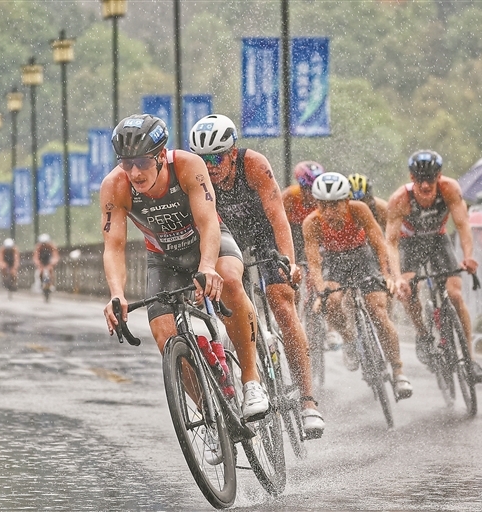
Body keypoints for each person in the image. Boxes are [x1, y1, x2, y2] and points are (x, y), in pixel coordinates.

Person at [101, 114, 270, 443]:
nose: (135, 172)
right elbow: (114, 246)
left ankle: (252, 382)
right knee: (164, 334)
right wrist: (117, 294)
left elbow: (208, 223)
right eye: (127, 163)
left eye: (143, 162)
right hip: (164, 258)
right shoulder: (115, 186)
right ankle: (212, 414)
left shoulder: (189, 166)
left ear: (161, 156)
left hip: (207, 243)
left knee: (231, 281)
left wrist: (207, 267)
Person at [189, 114, 325, 436]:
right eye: (202, 159)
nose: (210, 166)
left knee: (282, 304)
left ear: (233, 152)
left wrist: (289, 263)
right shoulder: (194, 176)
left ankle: (308, 402)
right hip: (226, 238)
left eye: (216, 157)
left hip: (263, 234)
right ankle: (247, 387)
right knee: (228, 311)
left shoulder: (254, 165)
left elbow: (278, 217)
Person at [302, 172, 413, 399]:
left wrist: (387, 275)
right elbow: (314, 261)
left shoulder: (360, 210)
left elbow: (379, 243)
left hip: (363, 258)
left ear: (346, 201)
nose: (329, 212)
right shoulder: (312, 223)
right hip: (335, 261)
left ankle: (398, 371)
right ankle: (349, 339)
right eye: (323, 206)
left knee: (378, 311)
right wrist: (321, 287)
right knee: (331, 302)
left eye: (334, 206)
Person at [386, 149, 482, 382]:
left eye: (430, 179)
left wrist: (468, 257)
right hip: (411, 244)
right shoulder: (400, 199)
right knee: (409, 292)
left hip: (439, 240)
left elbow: (463, 225)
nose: (426, 185)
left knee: (455, 295)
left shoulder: (450, 189)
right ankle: (423, 333)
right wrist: (398, 277)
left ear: (438, 177)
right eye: (420, 179)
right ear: (412, 179)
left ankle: (469, 359)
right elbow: (390, 242)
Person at [282, 161, 325, 264]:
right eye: (310, 189)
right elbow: (280, 223)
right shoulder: (290, 196)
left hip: (315, 231)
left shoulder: (323, 199)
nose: (314, 195)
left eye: (317, 189)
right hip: (293, 231)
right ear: (302, 187)